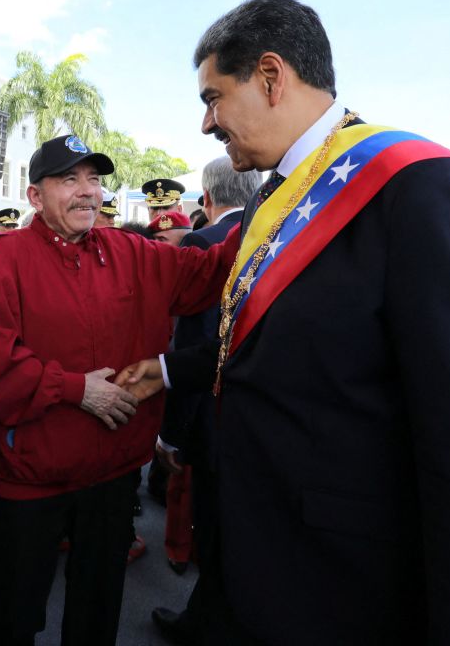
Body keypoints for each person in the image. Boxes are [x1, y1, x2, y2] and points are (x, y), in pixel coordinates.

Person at [117, 0, 450, 644]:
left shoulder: (421, 188)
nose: (207, 123)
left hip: (344, 588)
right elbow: (285, 344)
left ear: (270, 77)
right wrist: (170, 370)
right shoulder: (277, 196)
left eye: (213, 97)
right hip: (255, 556)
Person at [0, 133, 240, 646]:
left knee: (98, 610)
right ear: (35, 197)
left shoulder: (133, 251)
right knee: (13, 614)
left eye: (93, 179)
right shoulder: (2, 258)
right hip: (30, 480)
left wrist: (271, 210)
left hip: (111, 476)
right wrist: (74, 389)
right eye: (69, 179)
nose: (87, 191)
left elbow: (216, 272)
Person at [151, 156, 260, 645]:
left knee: (217, 534)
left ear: (207, 197)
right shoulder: (283, 233)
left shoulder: (204, 242)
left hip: (215, 414)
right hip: (264, 418)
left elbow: (191, 346)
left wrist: (172, 433)